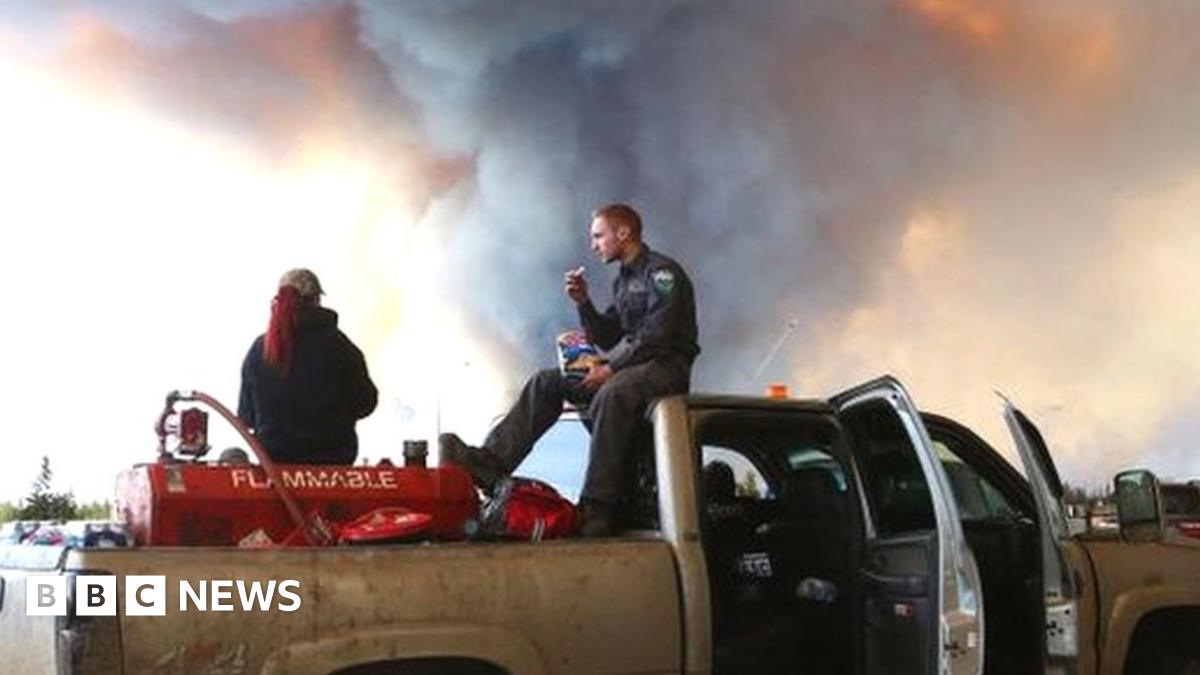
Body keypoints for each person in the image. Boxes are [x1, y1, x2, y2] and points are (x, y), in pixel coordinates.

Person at [440, 203, 700, 536]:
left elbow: (658, 337)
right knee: (546, 382)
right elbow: (606, 336)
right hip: (632, 366)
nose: (593, 244)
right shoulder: (623, 282)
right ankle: (489, 463)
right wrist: (583, 303)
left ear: (624, 233)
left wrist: (611, 370)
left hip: (666, 365)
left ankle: (597, 507)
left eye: (598, 235)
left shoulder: (662, 273)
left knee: (613, 392)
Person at [238, 268, 378, 464]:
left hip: (276, 470)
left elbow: (246, 417)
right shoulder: (341, 347)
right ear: (316, 300)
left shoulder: (260, 350)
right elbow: (366, 403)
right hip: (334, 466)